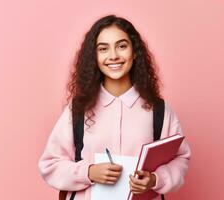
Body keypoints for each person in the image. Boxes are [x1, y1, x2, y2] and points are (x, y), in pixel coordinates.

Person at [38, 15, 191, 200]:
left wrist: (155, 179)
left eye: (122, 46)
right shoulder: (77, 109)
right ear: (94, 56)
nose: (113, 56)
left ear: (134, 52)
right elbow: (50, 164)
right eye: (103, 49)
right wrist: (89, 172)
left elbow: (181, 158)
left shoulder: (158, 110)